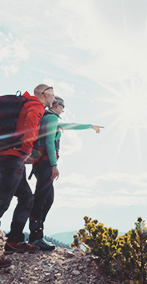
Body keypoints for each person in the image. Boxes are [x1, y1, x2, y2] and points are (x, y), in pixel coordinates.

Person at [0, 84, 56, 268]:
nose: (54, 100)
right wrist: (26, 153)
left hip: (4, 158)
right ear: (46, 93)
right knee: (0, 204)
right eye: (53, 95)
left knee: (26, 197)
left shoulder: (25, 104)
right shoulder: (35, 107)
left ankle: (14, 241)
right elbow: (29, 130)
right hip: (13, 160)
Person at [28, 96, 102, 251]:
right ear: (55, 104)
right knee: (41, 201)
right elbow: (49, 142)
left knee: (47, 199)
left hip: (40, 164)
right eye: (62, 106)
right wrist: (54, 165)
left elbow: (71, 125)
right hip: (46, 164)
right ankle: (35, 238)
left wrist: (90, 126)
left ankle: (37, 234)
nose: (64, 109)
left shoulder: (49, 119)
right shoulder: (51, 119)